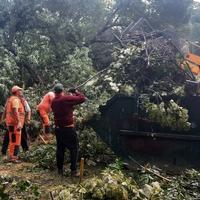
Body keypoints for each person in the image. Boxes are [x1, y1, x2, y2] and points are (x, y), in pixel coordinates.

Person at [51, 83, 86, 176]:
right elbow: (82, 98)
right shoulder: (65, 99)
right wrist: (75, 91)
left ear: (55, 92)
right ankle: (73, 171)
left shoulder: (54, 101)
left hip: (58, 129)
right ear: (62, 90)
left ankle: (60, 170)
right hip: (68, 129)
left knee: (60, 149)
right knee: (74, 148)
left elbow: (66, 106)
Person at [4, 86, 25, 162]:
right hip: (15, 124)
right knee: (17, 141)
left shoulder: (10, 99)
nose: (21, 92)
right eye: (20, 91)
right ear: (17, 92)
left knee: (12, 139)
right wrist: (19, 122)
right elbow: (15, 110)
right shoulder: (15, 100)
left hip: (11, 123)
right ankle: (14, 157)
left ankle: (11, 156)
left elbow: (6, 110)